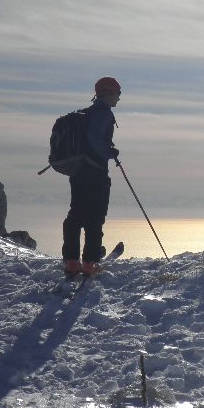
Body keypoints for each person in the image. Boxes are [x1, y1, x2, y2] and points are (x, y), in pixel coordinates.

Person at [62, 77, 121, 276]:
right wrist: (110, 153)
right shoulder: (103, 113)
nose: (119, 98)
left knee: (76, 213)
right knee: (95, 217)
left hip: (78, 172)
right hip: (95, 172)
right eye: (118, 93)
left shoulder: (88, 113)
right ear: (109, 92)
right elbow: (95, 139)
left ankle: (71, 262)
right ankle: (89, 263)